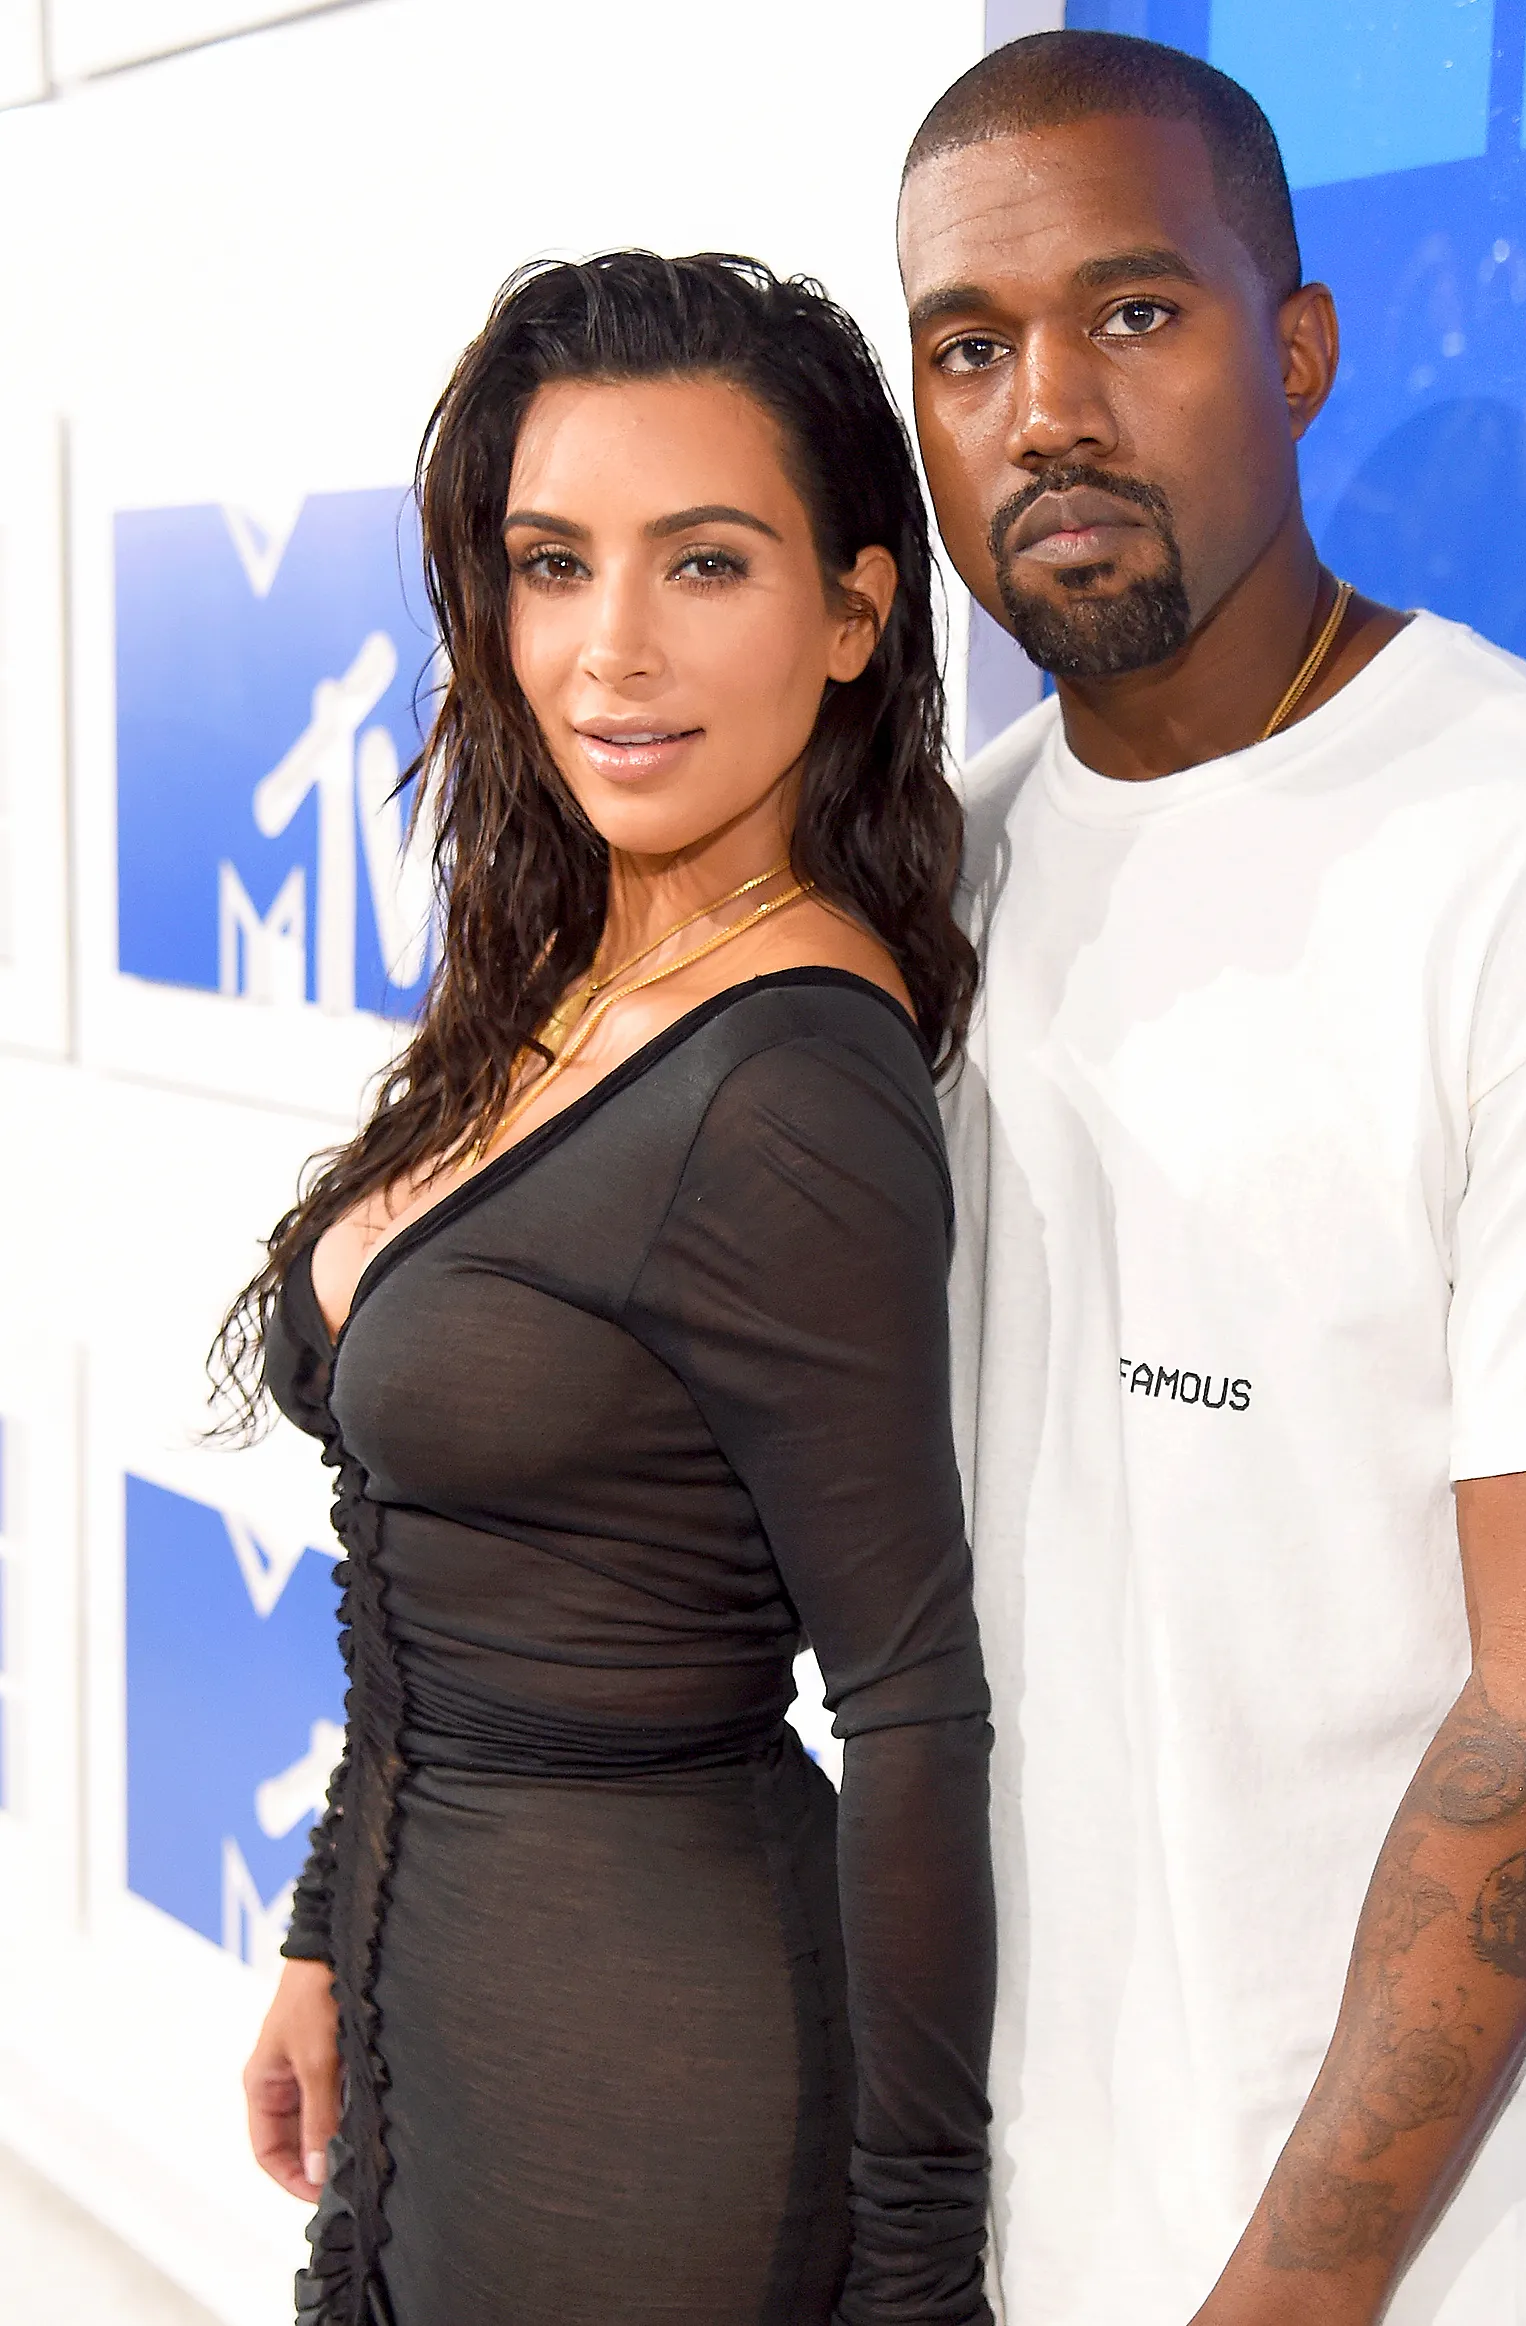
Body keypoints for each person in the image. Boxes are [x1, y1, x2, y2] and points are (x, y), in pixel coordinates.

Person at [897, 32, 1526, 2326]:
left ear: (1292, 349)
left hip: (1401, 2275)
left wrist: (1282, 2296)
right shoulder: (946, 874)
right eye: (968, 347)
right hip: (984, 2224)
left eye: (1136, 313)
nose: (1047, 413)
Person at [221, 251, 995, 2326]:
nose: (610, 652)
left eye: (706, 564)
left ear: (852, 609)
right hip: (432, 2020)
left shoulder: (790, 1087)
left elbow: (913, 1707)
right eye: (553, 563)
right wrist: (326, 1929)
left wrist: (912, 2281)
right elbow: (445, 1580)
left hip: (642, 2095)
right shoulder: (575, 967)